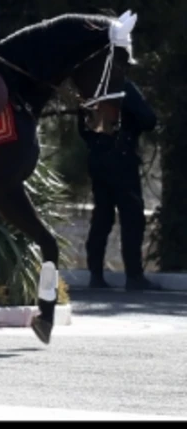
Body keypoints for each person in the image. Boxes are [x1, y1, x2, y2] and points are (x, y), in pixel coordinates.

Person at [79, 79, 160, 292]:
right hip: (122, 158)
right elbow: (149, 119)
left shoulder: (90, 87)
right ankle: (134, 276)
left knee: (102, 217)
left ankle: (95, 275)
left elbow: (82, 126)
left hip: (96, 158)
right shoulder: (123, 86)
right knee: (132, 217)